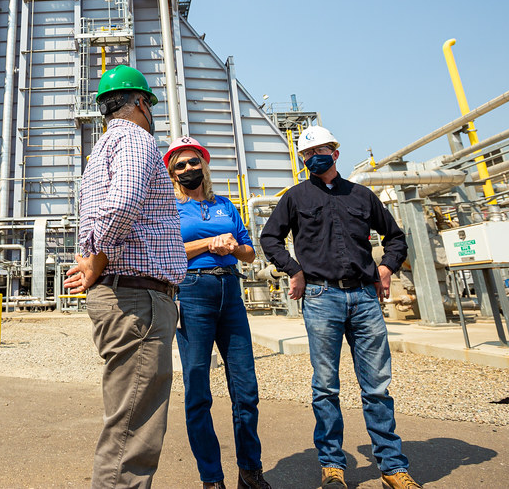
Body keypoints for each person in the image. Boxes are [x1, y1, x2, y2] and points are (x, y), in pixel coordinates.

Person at [258, 126, 422, 489]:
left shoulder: (362, 196)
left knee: (377, 386)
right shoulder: (295, 197)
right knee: (325, 387)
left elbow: (395, 237)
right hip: (321, 297)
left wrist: (385, 267)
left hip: (364, 297)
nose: (315, 156)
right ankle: (332, 464)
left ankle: (393, 467)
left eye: (322, 149)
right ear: (303, 160)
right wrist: (294, 269)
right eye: (308, 152)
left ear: (335, 152)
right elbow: (270, 237)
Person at [64, 65, 188, 488]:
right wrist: (97, 261)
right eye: (149, 105)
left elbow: (106, 211)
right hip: (139, 299)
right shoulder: (136, 137)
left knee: (125, 418)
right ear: (139, 103)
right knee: (134, 431)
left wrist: (93, 258)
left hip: (125, 297)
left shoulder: (100, 147)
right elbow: (123, 205)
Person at [164, 137, 272, 489]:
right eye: (180, 165)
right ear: (172, 173)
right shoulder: (168, 207)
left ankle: (250, 471)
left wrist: (233, 245)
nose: (188, 169)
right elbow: (169, 251)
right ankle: (212, 478)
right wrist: (210, 244)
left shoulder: (225, 204)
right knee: (198, 388)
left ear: (204, 165)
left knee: (246, 388)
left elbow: (250, 253)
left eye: (194, 162)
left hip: (230, 290)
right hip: (192, 292)